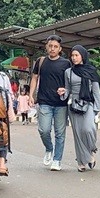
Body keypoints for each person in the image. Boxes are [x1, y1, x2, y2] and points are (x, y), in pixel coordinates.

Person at [28, 35, 72, 170]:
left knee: (60, 133)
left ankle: (57, 160)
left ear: (60, 49)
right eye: (50, 46)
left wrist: (65, 90)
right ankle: (49, 148)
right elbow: (35, 78)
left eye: (55, 47)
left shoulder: (66, 63)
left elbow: (71, 82)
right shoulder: (41, 62)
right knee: (44, 130)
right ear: (46, 46)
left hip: (61, 103)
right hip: (44, 101)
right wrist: (31, 95)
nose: (52, 49)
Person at [59, 45, 100, 172]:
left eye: (76, 55)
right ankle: (81, 161)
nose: (74, 58)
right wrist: (63, 92)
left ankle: (91, 149)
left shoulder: (91, 71)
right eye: (72, 55)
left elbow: (96, 91)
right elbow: (68, 89)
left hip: (88, 103)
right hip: (73, 105)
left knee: (88, 129)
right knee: (77, 134)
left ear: (82, 56)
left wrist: (99, 109)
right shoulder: (69, 72)